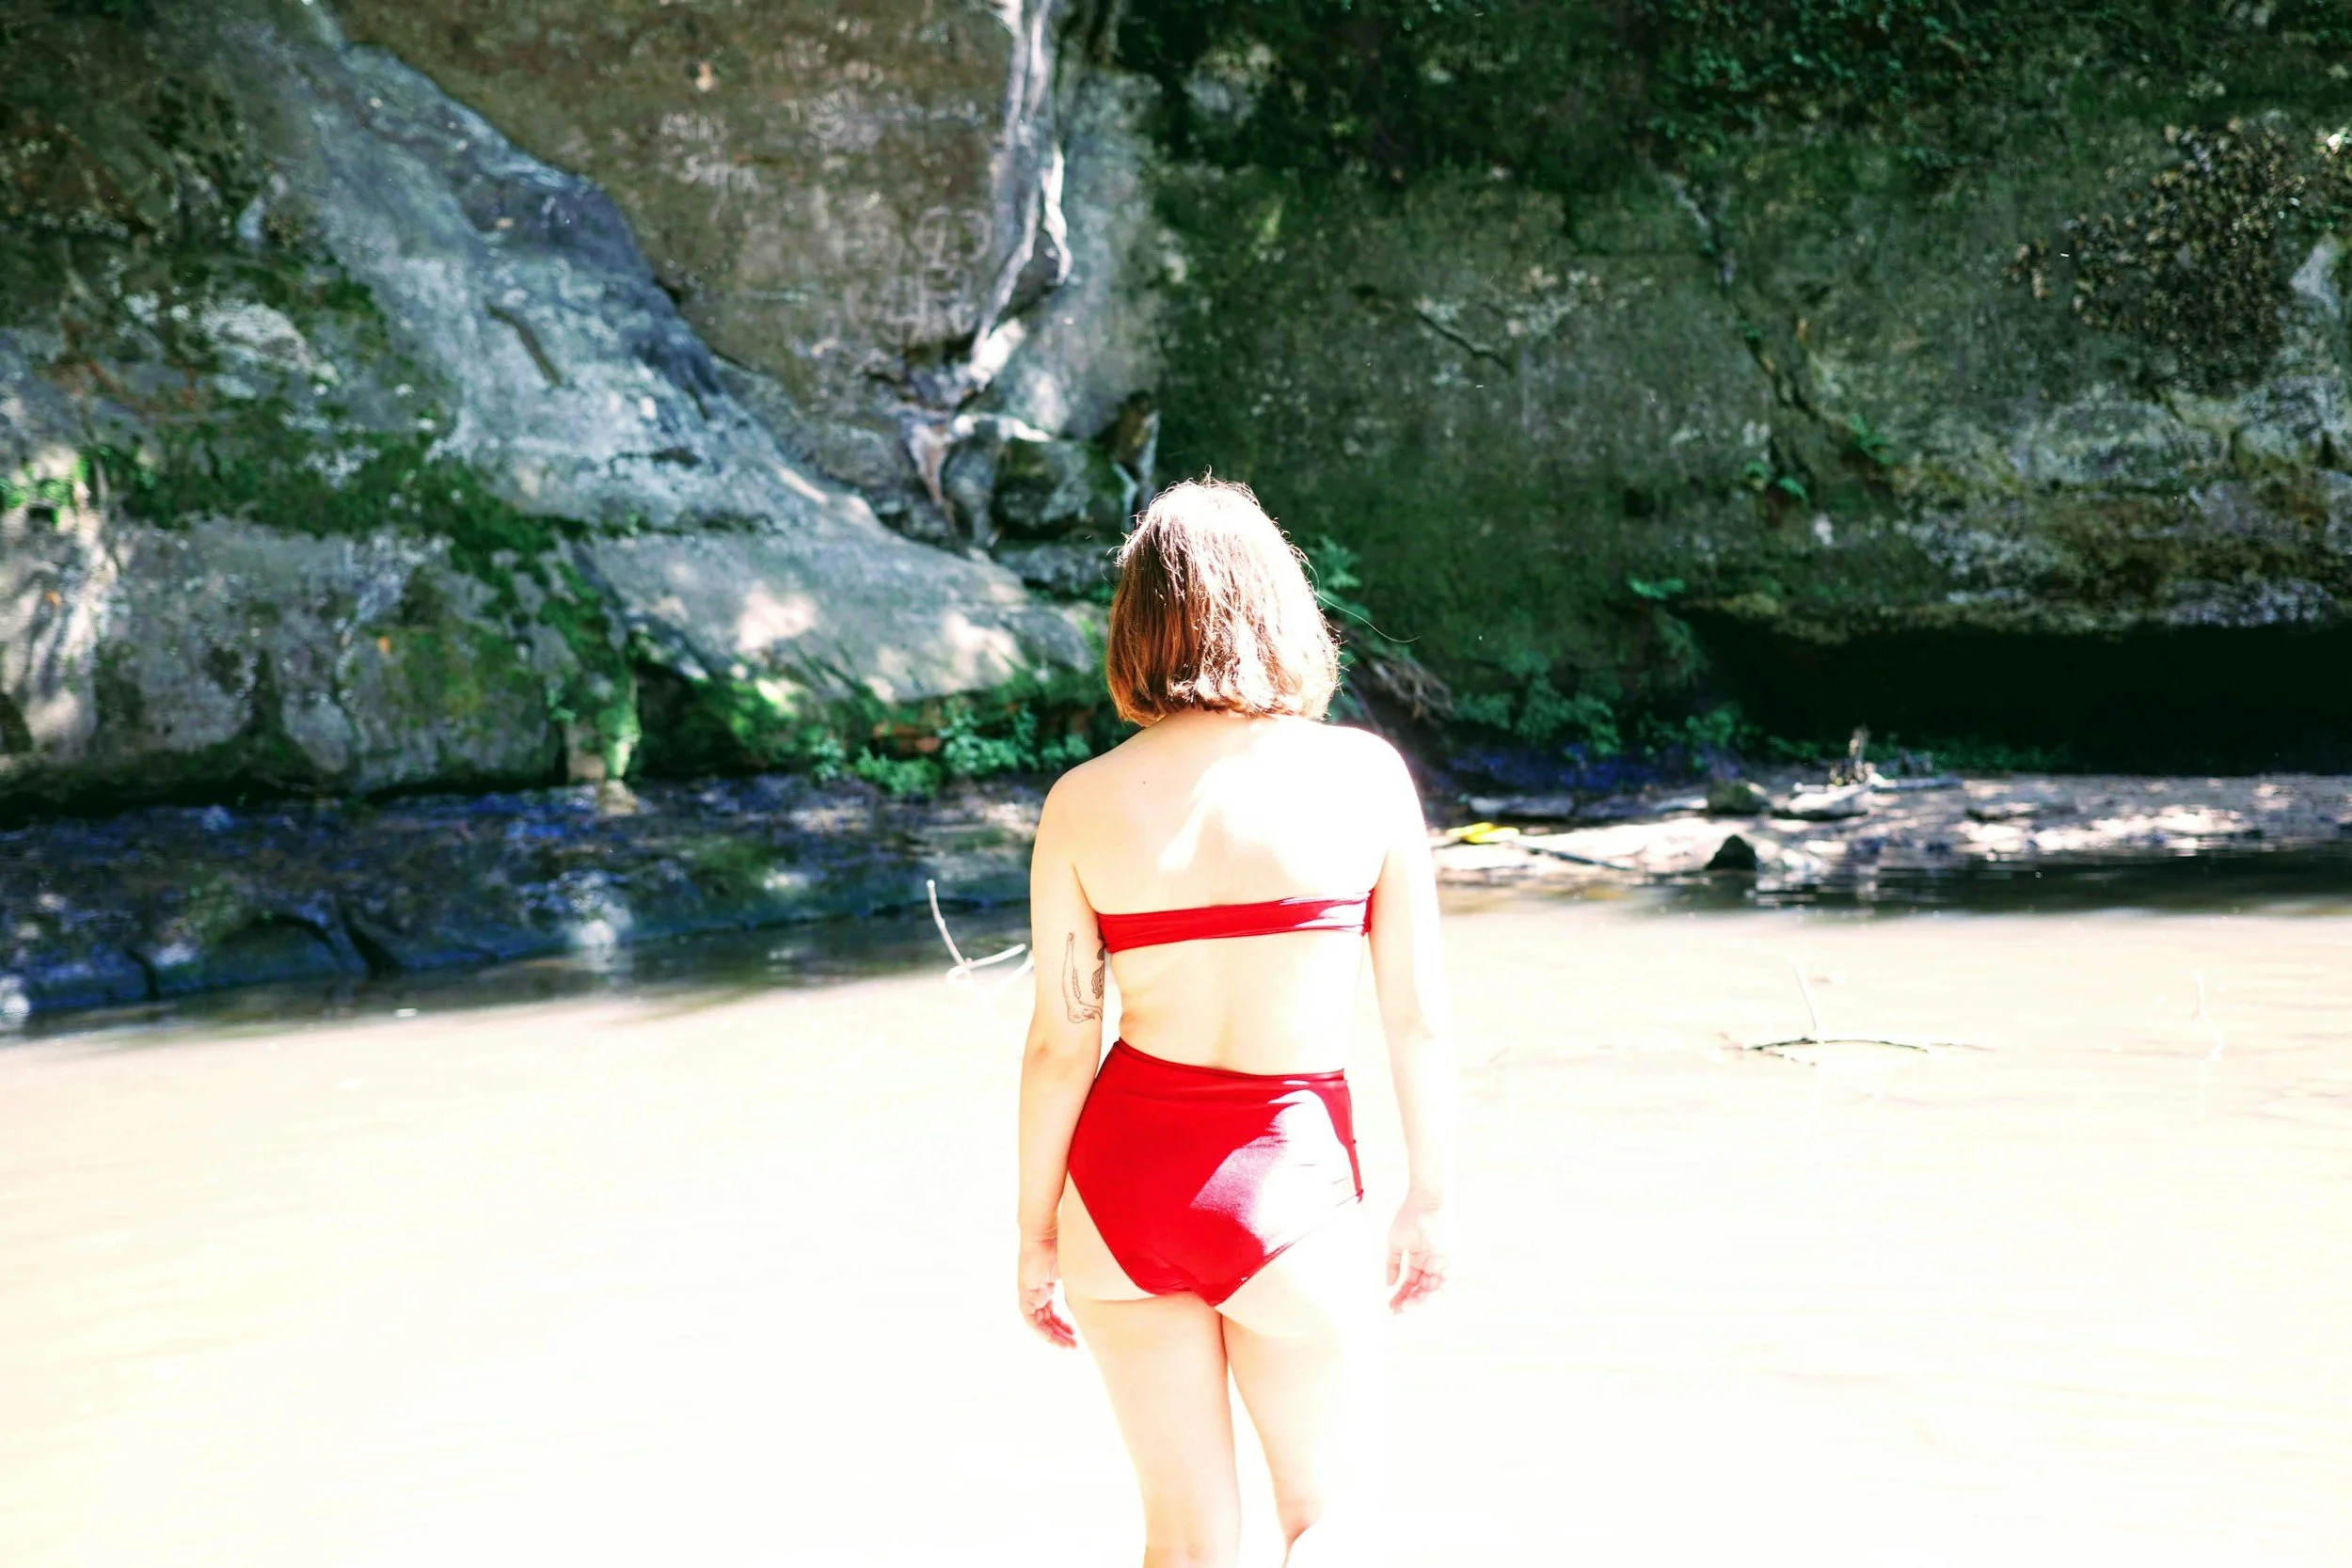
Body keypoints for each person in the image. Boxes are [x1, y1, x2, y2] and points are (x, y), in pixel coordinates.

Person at [1015, 477, 1458, 1567]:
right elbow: (1416, 1017)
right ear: (1277, 607)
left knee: (1184, 1538)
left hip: (1121, 1189)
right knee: (1328, 1518)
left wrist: (1033, 1234)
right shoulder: (1361, 776)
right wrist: (1429, 1198)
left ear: (1138, 625)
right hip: (1288, 1176)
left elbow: (1060, 1040)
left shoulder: (1082, 800)